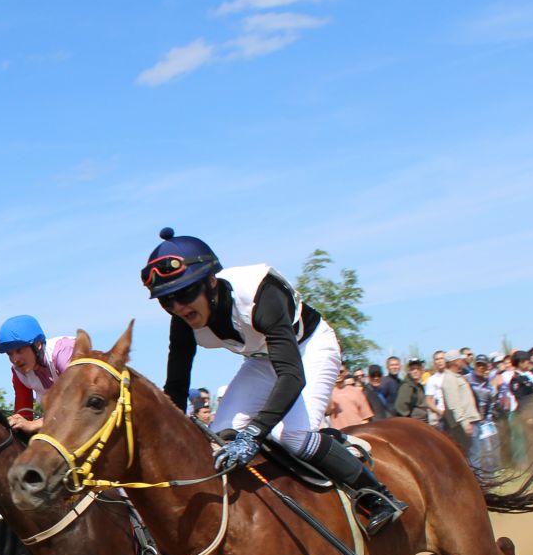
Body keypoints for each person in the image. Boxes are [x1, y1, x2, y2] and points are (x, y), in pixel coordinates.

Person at [144, 228, 404, 533]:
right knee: (217, 439)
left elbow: (292, 376)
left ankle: (377, 496)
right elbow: (175, 386)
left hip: (309, 349)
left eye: (184, 294)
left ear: (211, 281)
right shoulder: (181, 321)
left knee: (292, 437)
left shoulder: (259, 294)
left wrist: (253, 432)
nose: (178, 307)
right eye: (166, 301)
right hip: (261, 360)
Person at [0, 313, 160, 555]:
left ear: (37, 345)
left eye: (18, 350)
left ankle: (149, 537)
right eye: (9, 354)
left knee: (113, 473)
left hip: (102, 415)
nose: (15, 359)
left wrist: (34, 424)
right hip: (72, 427)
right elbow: (24, 412)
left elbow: (73, 406)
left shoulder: (63, 354)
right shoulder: (19, 372)